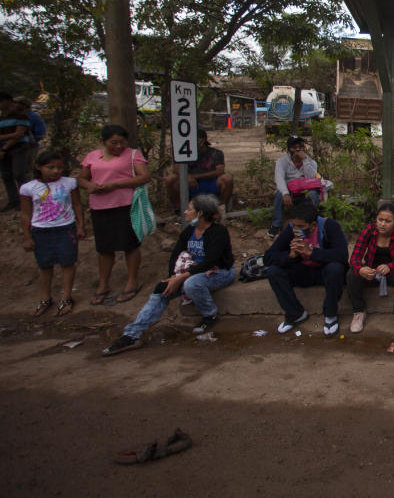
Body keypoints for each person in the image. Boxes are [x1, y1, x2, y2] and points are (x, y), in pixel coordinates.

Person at [101, 194, 236, 356]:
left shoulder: (218, 232)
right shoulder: (188, 232)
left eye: (190, 209)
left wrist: (179, 278)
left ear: (200, 213)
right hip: (190, 272)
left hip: (220, 272)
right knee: (161, 289)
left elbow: (210, 261)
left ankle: (210, 315)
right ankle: (132, 334)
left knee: (191, 283)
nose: (185, 212)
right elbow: (175, 255)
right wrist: (173, 276)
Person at [78, 125, 151, 304]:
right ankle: (103, 283)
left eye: (122, 142)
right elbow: (81, 178)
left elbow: (144, 176)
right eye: (113, 142)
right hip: (100, 207)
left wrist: (116, 185)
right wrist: (90, 186)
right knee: (104, 247)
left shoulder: (133, 154)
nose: (118, 146)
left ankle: (132, 280)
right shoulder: (92, 157)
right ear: (103, 142)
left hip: (126, 205)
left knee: (130, 244)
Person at [264, 201, 349, 336]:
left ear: (313, 225)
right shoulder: (291, 230)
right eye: (294, 225)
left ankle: (331, 315)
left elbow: (342, 255)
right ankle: (295, 314)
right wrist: (290, 256)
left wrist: (312, 253)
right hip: (303, 272)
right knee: (273, 271)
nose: (296, 229)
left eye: (301, 226)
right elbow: (268, 257)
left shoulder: (329, 226)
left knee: (335, 268)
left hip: (325, 272)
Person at [19, 150, 85, 317]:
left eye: (59, 167)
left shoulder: (70, 183)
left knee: (67, 263)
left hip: (66, 228)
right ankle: (45, 298)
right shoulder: (28, 188)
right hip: (41, 231)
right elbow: (26, 213)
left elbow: (77, 205)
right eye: (50, 167)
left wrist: (80, 226)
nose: (56, 171)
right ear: (38, 167)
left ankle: (66, 298)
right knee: (44, 265)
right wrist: (27, 237)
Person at [346, 201, 394, 334]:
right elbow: (355, 257)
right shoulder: (369, 230)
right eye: (380, 219)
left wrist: (390, 266)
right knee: (351, 274)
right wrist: (361, 269)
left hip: (393, 271)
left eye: (387, 221)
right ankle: (359, 311)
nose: (382, 224)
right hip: (372, 271)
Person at [164, 128, 233, 210]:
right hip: (189, 184)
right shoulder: (183, 152)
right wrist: (188, 177)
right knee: (170, 179)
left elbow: (220, 171)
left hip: (209, 182)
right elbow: (176, 169)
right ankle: (179, 208)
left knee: (227, 178)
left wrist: (196, 176)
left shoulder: (215, 153)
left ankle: (221, 207)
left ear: (202, 140)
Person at [268, 136, 324, 238]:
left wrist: (305, 161)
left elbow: (311, 178)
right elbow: (279, 179)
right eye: (294, 147)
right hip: (289, 190)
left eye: (300, 147)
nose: (298, 150)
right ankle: (276, 224)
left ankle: (311, 222)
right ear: (289, 149)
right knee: (279, 195)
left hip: (304, 190)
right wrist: (285, 193)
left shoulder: (311, 162)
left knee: (313, 195)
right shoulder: (282, 161)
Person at [0, 92, 33, 212]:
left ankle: (26, 200)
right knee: (6, 176)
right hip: (4, 150)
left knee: (19, 174)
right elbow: (15, 134)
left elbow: (19, 134)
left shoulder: (20, 116)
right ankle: (13, 201)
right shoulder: (1, 118)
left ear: (8, 101)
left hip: (18, 148)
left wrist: (5, 146)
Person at [14, 95, 45, 168]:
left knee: (27, 169)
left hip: (29, 147)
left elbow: (40, 133)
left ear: (24, 105)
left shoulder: (34, 116)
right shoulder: (13, 116)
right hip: (14, 146)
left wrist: (29, 140)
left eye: (16, 103)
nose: (14, 105)